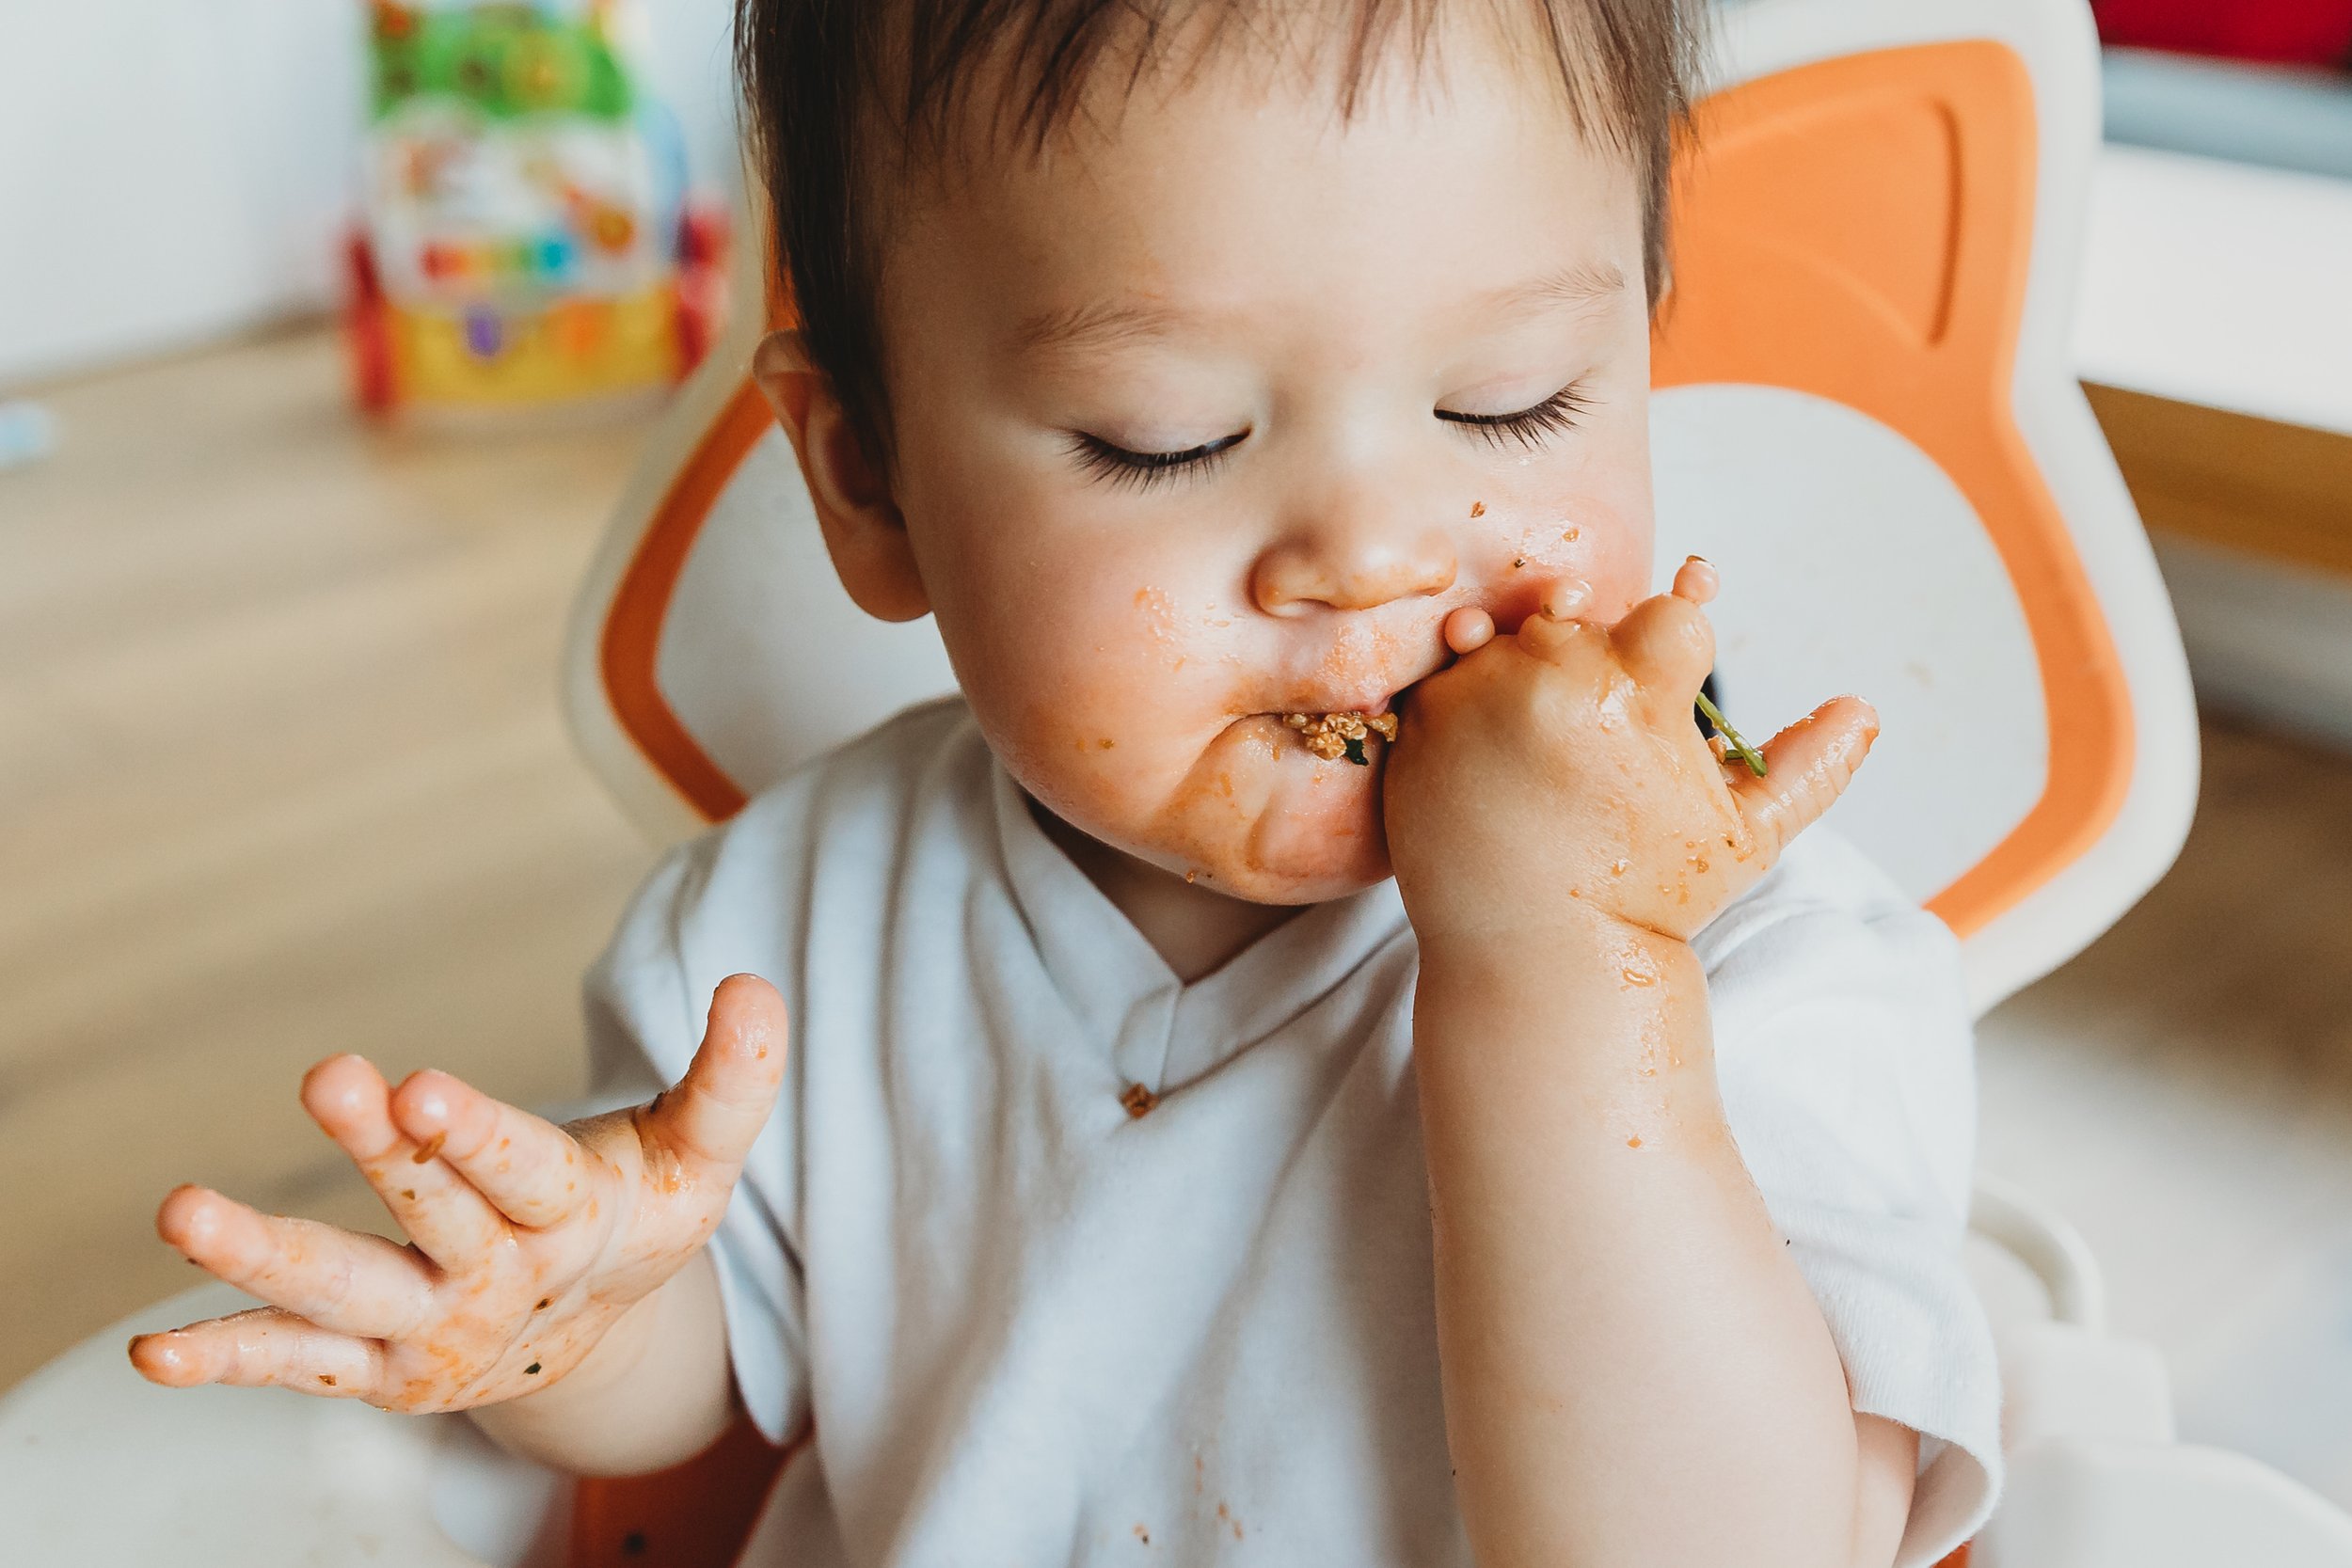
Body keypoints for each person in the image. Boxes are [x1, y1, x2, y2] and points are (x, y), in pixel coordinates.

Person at [130, 2, 2000, 1561]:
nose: (1368, 549)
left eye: (1507, 400)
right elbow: (713, 1377)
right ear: (868, 484)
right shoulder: (783, 930)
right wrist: (578, 1321)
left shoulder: (1769, 966)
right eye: (1160, 437)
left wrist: (1571, 972)